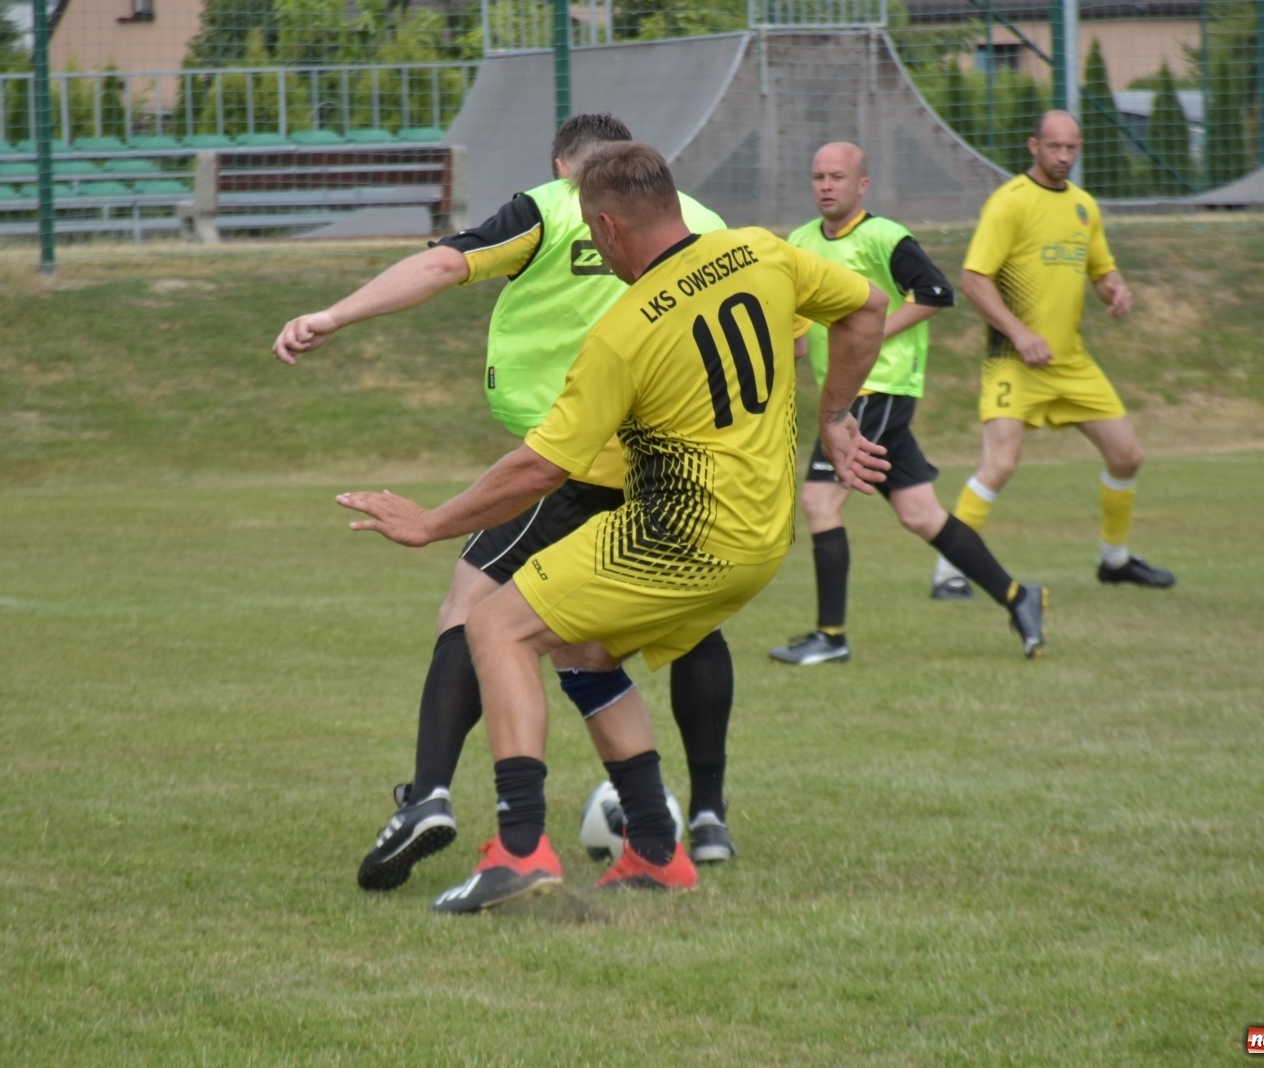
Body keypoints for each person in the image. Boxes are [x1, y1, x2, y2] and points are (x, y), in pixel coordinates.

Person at [338, 142, 892, 912]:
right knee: (583, 648)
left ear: (605, 226)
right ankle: (658, 850)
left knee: (494, 627)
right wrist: (835, 413)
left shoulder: (625, 330)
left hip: (678, 533)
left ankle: (519, 846)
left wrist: (430, 523)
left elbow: (539, 468)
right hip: (764, 539)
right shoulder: (763, 252)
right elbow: (867, 307)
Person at [271, 115, 741, 895]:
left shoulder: (552, 206)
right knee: (593, 650)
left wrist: (335, 314)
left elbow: (441, 267)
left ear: (569, 167)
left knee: (475, 611)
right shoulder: (708, 226)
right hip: (678, 476)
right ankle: (679, 829)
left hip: (563, 460)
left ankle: (440, 802)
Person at [768, 141, 1046, 665]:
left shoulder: (884, 237)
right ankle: (1017, 596)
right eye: (818, 176)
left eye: (837, 177)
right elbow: (798, 323)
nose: (826, 185)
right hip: (848, 393)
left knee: (820, 502)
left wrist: (871, 333)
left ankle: (831, 637)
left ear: (862, 185)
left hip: (879, 389)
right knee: (920, 514)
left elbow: (937, 293)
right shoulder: (801, 241)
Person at [932, 111, 1175, 594]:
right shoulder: (1010, 204)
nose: (1063, 156)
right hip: (1013, 362)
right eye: (1054, 147)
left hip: (1071, 363)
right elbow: (973, 280)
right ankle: (948, 572)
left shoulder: (1085, 207)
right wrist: (1020, 334)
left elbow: (1102, 270)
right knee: (1000, 464)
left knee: (1127, 455)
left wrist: (1115, 290)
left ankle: (1115, 561)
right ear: (1034, 147)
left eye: (1071, 147)